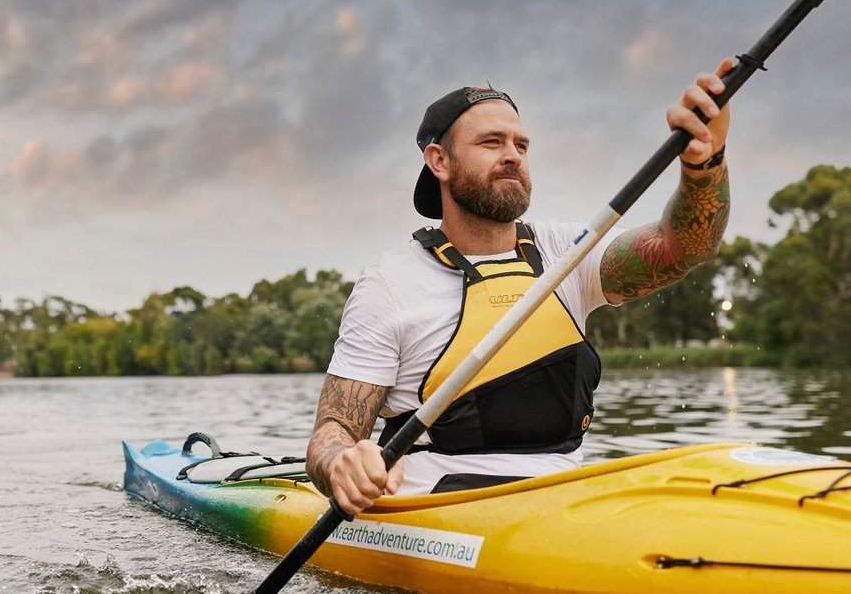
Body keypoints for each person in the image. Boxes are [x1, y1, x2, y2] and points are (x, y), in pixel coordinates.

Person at [308, 60, 734, 510]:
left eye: (521, 144)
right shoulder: (389, 285)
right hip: (441, 512)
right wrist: (343, 463)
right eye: (491, 142)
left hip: (566, 500)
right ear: (439, 161)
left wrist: (705, 163)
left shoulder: (564, 253)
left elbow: (682, 247)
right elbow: (331, 432)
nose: (512, 154)